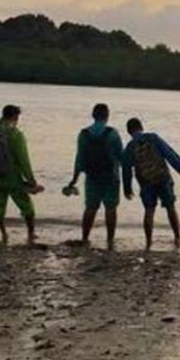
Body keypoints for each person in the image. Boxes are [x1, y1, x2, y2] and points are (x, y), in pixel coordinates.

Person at [122, 118, 180, 251]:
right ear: (141, 127)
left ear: (129, 131)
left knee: (149, 211)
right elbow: (170, 154)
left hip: (146, 182)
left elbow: (126, 169)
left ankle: (148, 241)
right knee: (170, 207)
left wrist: (127, 188)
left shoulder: (130, 147)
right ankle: (177, 237)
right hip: (163, 178)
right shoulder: (153, 138)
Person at [66, 103, 123, 250]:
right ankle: (110, 240)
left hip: (91, 177)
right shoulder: (113, 134)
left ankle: (85, 237)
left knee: (90, 208)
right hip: (110, 176)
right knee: (110, 208)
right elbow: (121, 157)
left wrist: (74, 180)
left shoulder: (84, 134)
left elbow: (79, 160)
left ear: (93, 115)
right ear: (107, 116)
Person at [0, 104, 42, 244]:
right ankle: (31, 234)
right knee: (27, 207)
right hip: (13, 179)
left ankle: (4, 234)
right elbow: (24, 160)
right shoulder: (16, 135)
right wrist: (31, 181)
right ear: (15, 117)